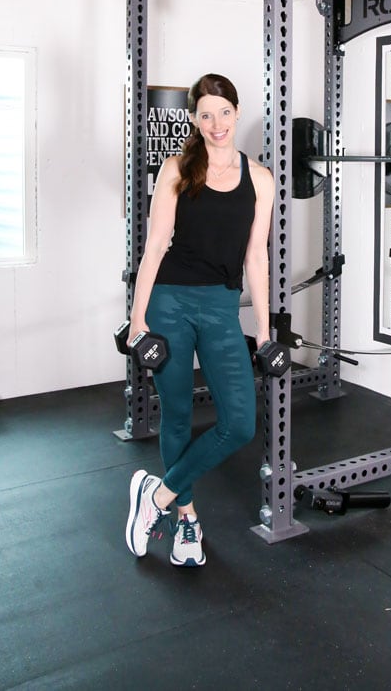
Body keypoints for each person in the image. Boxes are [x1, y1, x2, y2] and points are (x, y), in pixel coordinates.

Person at [124, 72, 274, 567]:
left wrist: (265, 331)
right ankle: (187, 520)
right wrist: (137, 320)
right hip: (169, 301)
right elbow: (154, 249)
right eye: (205, 114)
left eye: (224, 112)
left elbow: (256, 257)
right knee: (179, 415)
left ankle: (158, 497)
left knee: (239, 423)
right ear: (194, 119)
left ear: (237, 113)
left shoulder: (260, 179)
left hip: (220, 308)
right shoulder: (176, 170)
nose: (216, 124)